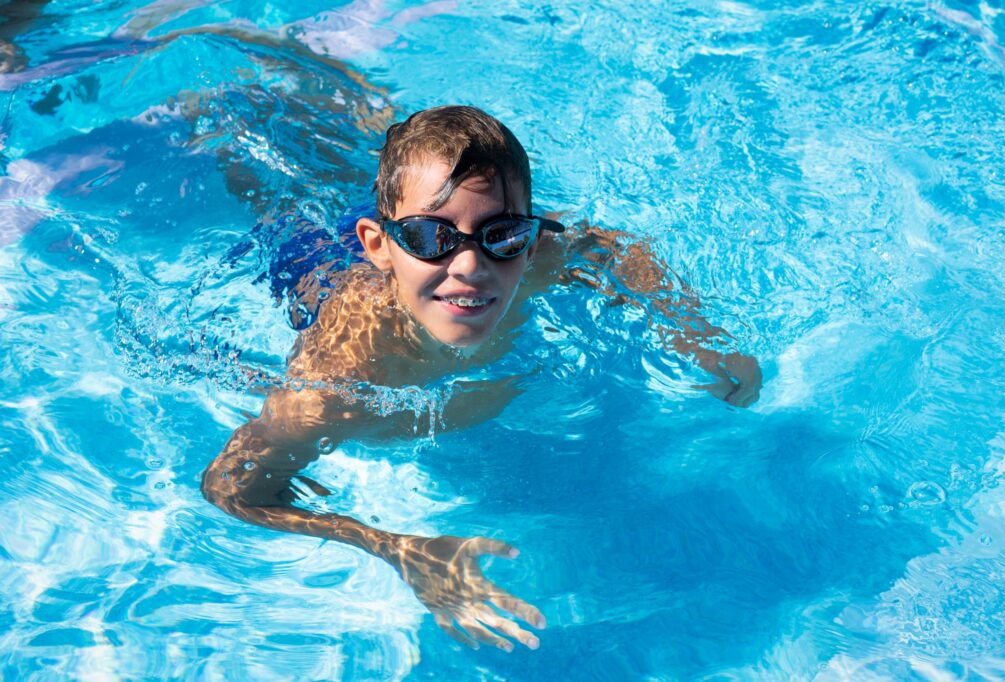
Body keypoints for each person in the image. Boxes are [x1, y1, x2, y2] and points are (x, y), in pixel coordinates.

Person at [202, 105, 762, 653]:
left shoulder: (538, 259)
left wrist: (698, 336)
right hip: (309, 252)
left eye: (504, 236)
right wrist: (395, 547)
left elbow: (612, 250)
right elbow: (229, 488)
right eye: (431, 238)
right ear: (381, 245)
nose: (471, 266)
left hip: (405, 210)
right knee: (264, 176)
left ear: (533, 240)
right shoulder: (338, 384)